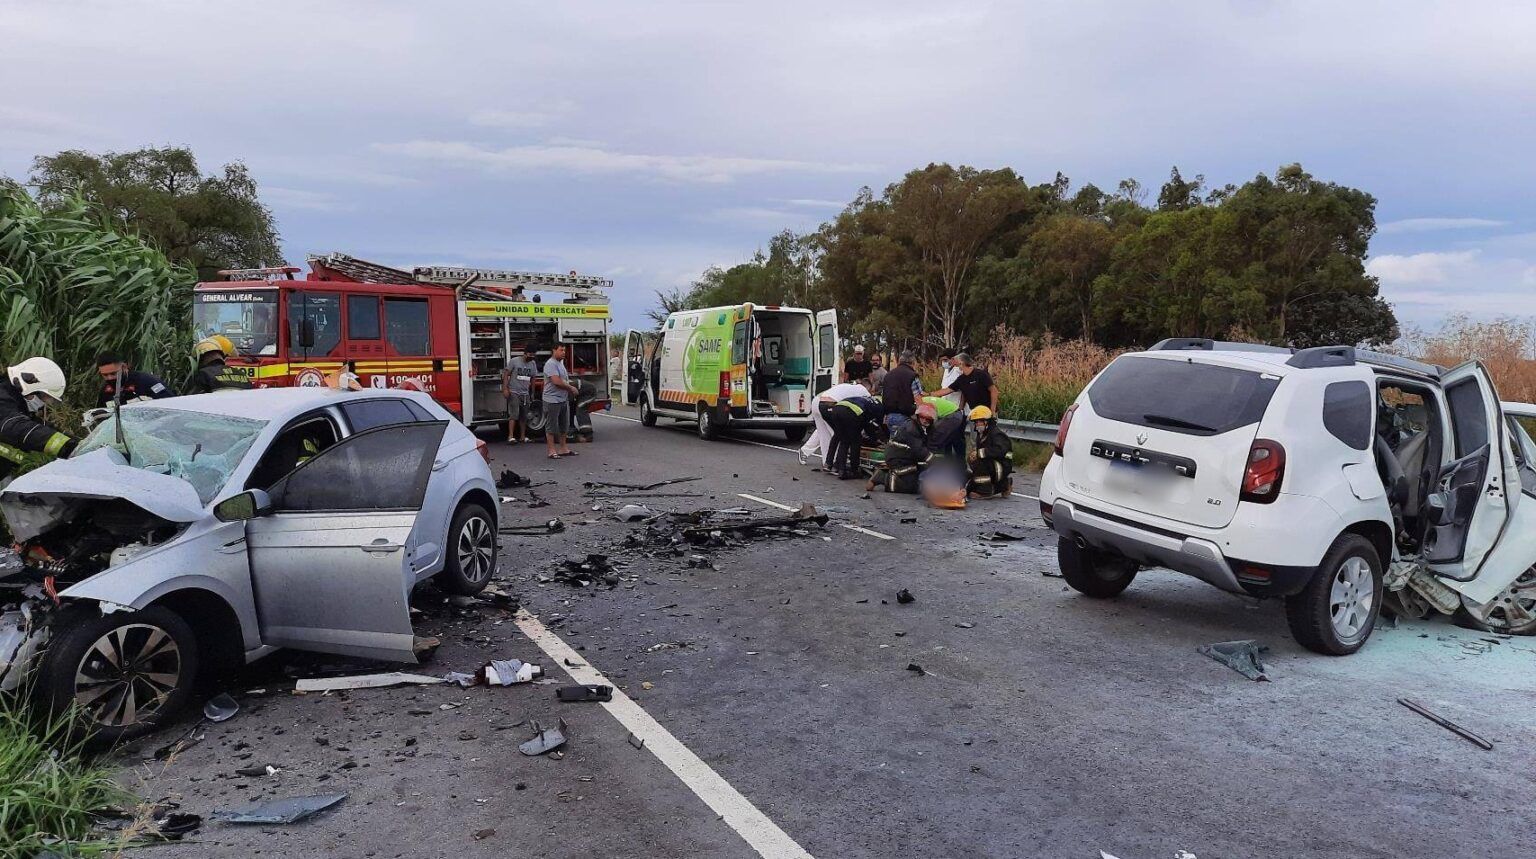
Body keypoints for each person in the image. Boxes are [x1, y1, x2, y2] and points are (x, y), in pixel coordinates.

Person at [0, 358, 77, 484]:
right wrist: (67, 447)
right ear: (27, 384)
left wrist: (75, 442)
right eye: (44, 397)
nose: (42, 403)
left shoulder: (13, 401)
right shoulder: (3, 399)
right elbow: (17, 427)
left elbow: (36, 425)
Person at [867, 401, 935, 493]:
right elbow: (919, 450)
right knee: (911, 486)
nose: (925, 420)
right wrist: (935, 462)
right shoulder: (912, 428)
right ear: (918, 416)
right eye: (923, 417)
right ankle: (882, 477)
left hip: (905, 458)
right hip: (898, 459)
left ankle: (888, 473)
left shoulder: (919, 427)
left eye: (928, 418)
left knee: (919, 478)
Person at [800, 380, 869, 468]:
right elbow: (866, 409)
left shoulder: (850, 387)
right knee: (839, 434)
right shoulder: (865, 393)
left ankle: (811, 453)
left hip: (818, 401)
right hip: (829, 404)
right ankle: (836, 462)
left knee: (823, 432)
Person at [825, 393, 884, 480]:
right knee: (855, 441)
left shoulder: (867, 400)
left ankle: (840, 469)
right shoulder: (880, 408)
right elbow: (874, 425)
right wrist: (876, 439)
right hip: (851, 413)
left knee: (844, 440)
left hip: (837, 409)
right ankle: (854, 470)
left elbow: (865, 422)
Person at [94, 352, 175, 408]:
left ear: (124, 367)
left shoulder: (147, 382)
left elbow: (170, 404)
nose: (109, 378)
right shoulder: (105, 392)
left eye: (113, 374)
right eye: (105, 375)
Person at [966, 406, 1014, 498]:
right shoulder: (982, 434)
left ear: (986, 421)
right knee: (971, 488)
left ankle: (985, 491)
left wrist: (979, 453)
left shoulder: (996, 434)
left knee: (979, 461)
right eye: (976, 422)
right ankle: (1004, 484)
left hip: (1003, 465)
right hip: (994, 465)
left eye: (979, 421)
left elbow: (999, 450)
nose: (977, 424)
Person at [542, 343, 579, 459]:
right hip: (552, 399)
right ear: (554, 350)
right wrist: (570, 388)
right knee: (551, 426)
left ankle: (563, 448)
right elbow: (556, 381)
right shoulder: (550, 364)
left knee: (564, 425)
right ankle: (551, 450)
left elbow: (563, 380)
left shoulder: (560, 364)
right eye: (561, 350)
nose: (563, 352)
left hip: (562, 399)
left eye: (564, 350)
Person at [183, 335, 253, 394]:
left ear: (200, 359)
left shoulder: (203, 375)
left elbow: (193, 401)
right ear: (221, 355)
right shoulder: (241, 374)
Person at [931, 352, 998, 414]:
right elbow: (947, 390)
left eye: (956, 363)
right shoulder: (961, 379)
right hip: (974, 412)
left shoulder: (981, 374)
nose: (955, 365)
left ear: (961, 363)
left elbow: (994, 391)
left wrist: (992, 410)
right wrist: (930, 394)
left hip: (987, 410)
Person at [503, 344, 539, 444]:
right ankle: (510, 436)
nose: (531, 357)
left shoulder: (532, 364)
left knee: (524, 416)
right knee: (514, 414)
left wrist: (532, 393)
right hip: (514, 391)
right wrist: (505, 388)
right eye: (530, 355)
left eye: (533, 355)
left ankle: (523, 436)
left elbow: (533, 378)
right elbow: (506, 374)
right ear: (525, 353)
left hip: (525, 393)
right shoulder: (514, 361)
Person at [879, 350, 922, 431]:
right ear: (913, 362)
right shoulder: (912, 375)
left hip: (889, 417)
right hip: (905, 417)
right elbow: (918, 399)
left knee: (894, 441)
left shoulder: (888, 375)